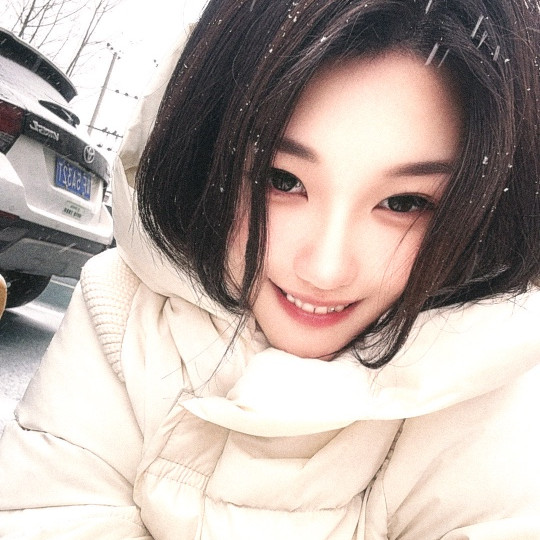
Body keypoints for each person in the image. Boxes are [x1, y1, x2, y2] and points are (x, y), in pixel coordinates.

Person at [1, 0, 539, 537]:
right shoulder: (123, 308)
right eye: (282, 180)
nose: (325, 270)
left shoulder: (497, 390)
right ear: (206, 159)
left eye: (404, 203)